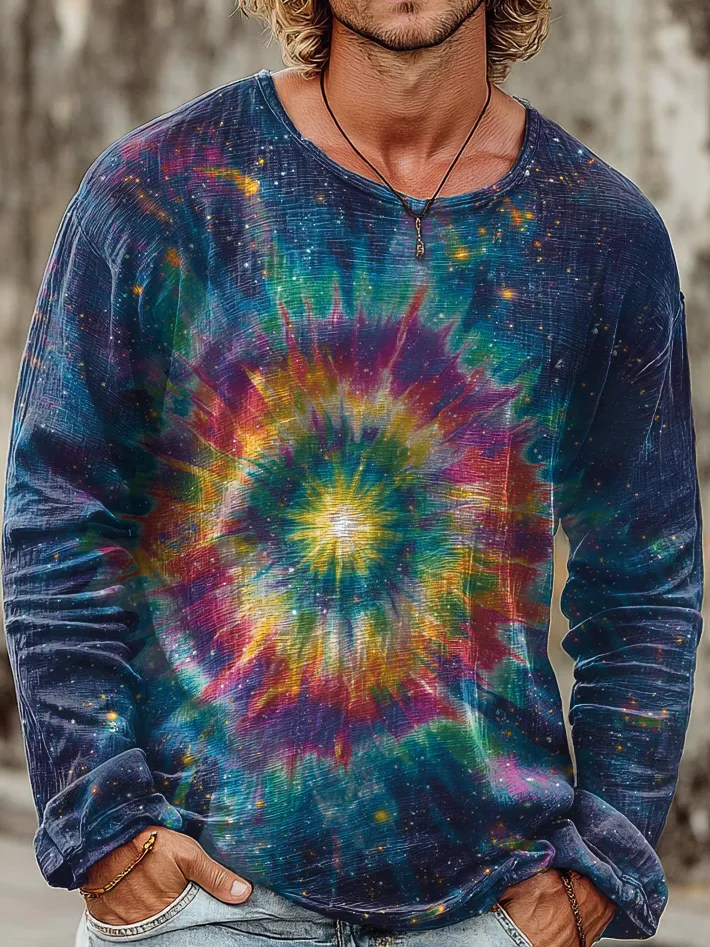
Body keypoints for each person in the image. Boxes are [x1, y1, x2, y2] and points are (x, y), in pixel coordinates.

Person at [1, 0, 703, 945]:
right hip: (203, 904)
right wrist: (104, 824)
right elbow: (58, 511)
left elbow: (646, 576)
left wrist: (603, 861)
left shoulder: (602, 234)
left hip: (492, 912)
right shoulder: (160, 189)